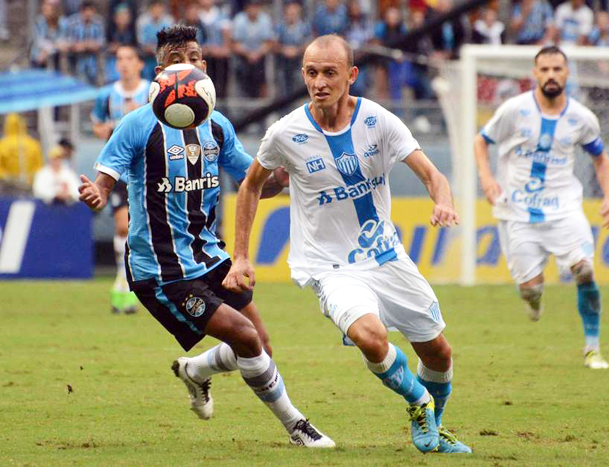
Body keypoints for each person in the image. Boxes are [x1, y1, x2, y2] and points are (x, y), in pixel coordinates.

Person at [78, 25, 335, 448]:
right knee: (246, 338)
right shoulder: (136, 126)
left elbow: (257, 182)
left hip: (209, 255)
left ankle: (195, 371)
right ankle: (297, 427)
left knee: (261, 344)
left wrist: (288, 175)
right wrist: (96, 191)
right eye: (180, 62)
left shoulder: (217, 126)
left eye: (196, 59)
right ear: (161, 74)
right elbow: (106, 181)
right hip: (161, 270)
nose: (192, 67)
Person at [225, 35, 471, 454]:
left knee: (439, 354)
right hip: (330, 268)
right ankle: (418, 401)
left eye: (329, 73)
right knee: (370, 337)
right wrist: (241, 257)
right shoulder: (286, 133)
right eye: (311, 72)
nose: (319, 82)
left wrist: (443, 201)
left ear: (351, 76)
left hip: (387, 256)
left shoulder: (379, 121)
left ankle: (433, 426)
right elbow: (250, 186)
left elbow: (432, 175)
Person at [473, 46, 609, 370]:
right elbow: (481, 141)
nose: (551, 75)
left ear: (566, 73)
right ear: (535, 74)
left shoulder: (581, 117)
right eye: (545, 69)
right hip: (518, 213)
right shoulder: (514, 109)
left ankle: (592, 348)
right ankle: (533, 299)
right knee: (531, 289)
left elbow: (601, 158)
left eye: (557, 69)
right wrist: (487, 180)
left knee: (585, 270)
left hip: (564, 208)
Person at [92, 44, 150, 315]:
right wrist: (112, 127)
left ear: (140, 64)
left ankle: (126, 282)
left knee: (140, 230)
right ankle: (125, 279)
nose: (124, 64)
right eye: (119, 59)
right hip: (118, 169)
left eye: (129, 58)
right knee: (122, 226)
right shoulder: (106, 94)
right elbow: (97, 125)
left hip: (147, 168)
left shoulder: (151, 91)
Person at [0, 113, 44, 193]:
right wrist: (31, 177)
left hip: (8, 187)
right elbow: (39, 167)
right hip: (29, 186)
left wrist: (9, 178)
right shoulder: (34, 144)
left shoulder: (2, 144)